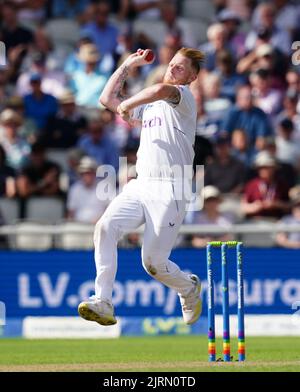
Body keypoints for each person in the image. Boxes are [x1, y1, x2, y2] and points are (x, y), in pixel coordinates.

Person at [78, 47, 205, 326]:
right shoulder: (149, 106)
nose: (173, 69)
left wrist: (127, 104)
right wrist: (127, 64)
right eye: (172, 64)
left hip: (172, 188)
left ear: (192, 76)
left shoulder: (184, 98)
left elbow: (159, 89)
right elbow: (106, 99)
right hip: (141, 184)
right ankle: (103, 301)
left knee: (153, 264)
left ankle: (187, 287)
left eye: (181, 67)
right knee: (105, 227)